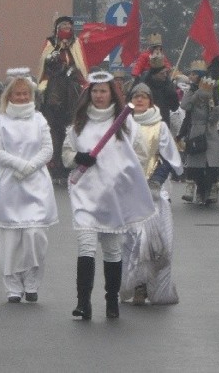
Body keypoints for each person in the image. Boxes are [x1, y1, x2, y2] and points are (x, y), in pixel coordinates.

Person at [63, 71, 156, 320]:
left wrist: (124, 176)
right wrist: (77, 158)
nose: (99, 95)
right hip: (86, 195)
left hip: (113, 196)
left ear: (111, 93)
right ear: (88, 93)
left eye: (103, 91)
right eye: (95, 91)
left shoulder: (125, 124)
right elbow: (66, 153)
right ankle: (83, 303)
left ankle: (112, 300)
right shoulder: (79, 123)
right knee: (86, 246)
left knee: (113, 251)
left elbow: (141, 155)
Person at [0, 75, 58, 303]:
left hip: (36, 182)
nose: (21, 97)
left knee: (35, 235)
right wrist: (19, 165)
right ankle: (12, 286)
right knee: (10, 239)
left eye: (25, 94)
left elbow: (47, 148)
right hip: (9, 183)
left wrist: (30, 167)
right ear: (9, 96)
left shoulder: (39, 120)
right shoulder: (0, 122)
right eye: (17, 93)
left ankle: (32, 282)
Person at [121, 83, 183, 306]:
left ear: (150, 100)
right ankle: (137, 286)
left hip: (155, 191)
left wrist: (156, 179)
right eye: (136, 96)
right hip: (129, 190)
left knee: (158, 242)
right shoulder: (122, 125)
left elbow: (169, 157)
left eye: (144, 97)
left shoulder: (160, 126)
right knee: (136, 241)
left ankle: (155, 286)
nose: (139, 100)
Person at [38, 16, 88, 181]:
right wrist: (55, 56)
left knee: (81, 91)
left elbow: (80, 63)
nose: (66, 27)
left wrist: (72, 69)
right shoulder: (50, 42)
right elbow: (44, 62)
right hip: (52, 75)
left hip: (72, 76)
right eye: (63, 25)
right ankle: (40, 116)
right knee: (41, 92)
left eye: (68, 25)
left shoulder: (76, 43)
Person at [179, 64, 219, 204]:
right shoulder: (191, 90)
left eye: (193, 74)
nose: (190, 77)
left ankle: (211, 189)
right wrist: (197, 94)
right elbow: (185, 106)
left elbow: (215, 115)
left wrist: (214, 107)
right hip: (196, 129)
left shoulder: (214, 90)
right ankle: (197, 188)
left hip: (210, 130)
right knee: (195, 164)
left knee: (211, 164)